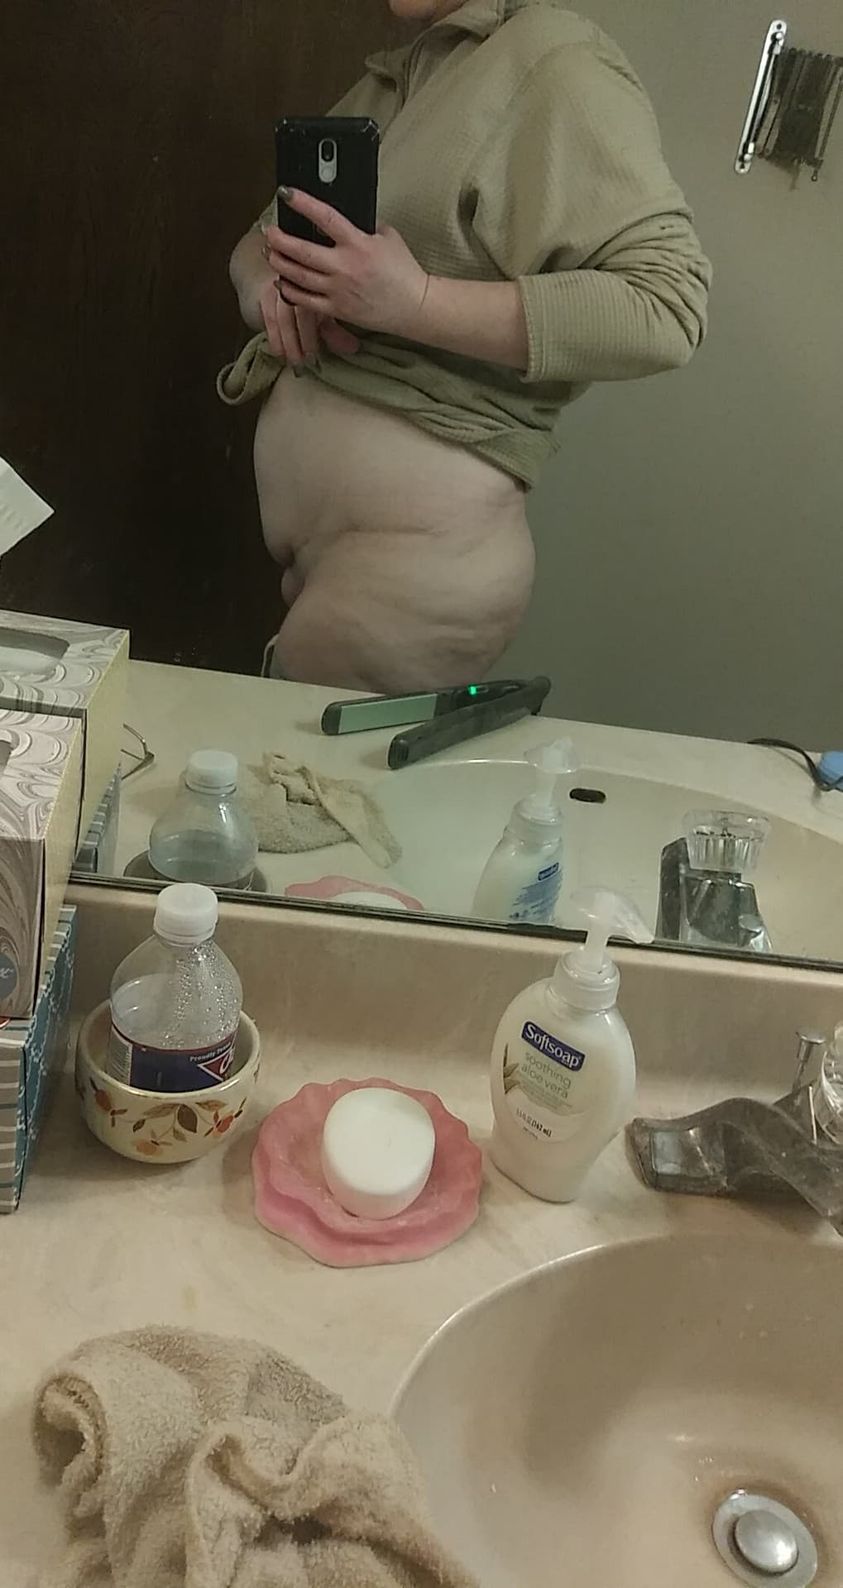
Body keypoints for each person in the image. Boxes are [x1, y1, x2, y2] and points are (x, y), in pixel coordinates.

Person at [223, 0, 711, 692]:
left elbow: (665, 306)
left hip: (416, 574)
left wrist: (415, 302)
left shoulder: (555, 62)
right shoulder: (400, 74)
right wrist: (266, 291)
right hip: (331, 567)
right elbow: (258, 240)